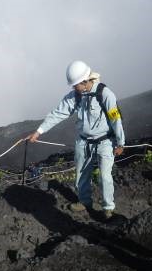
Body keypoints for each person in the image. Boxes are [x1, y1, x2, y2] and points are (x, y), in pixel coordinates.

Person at [27, 60, 125, 220]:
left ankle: (108, 209)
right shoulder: (75, 96)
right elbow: (57, 114)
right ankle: (84, 201)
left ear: (85, 81)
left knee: (105, 176)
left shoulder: (105, 94)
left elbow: (116, 118)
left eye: (75, 85)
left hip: (105, 141)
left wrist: (120, 142)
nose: (73, 88)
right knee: (81, 173)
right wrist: (39, 131)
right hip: (83, 141)